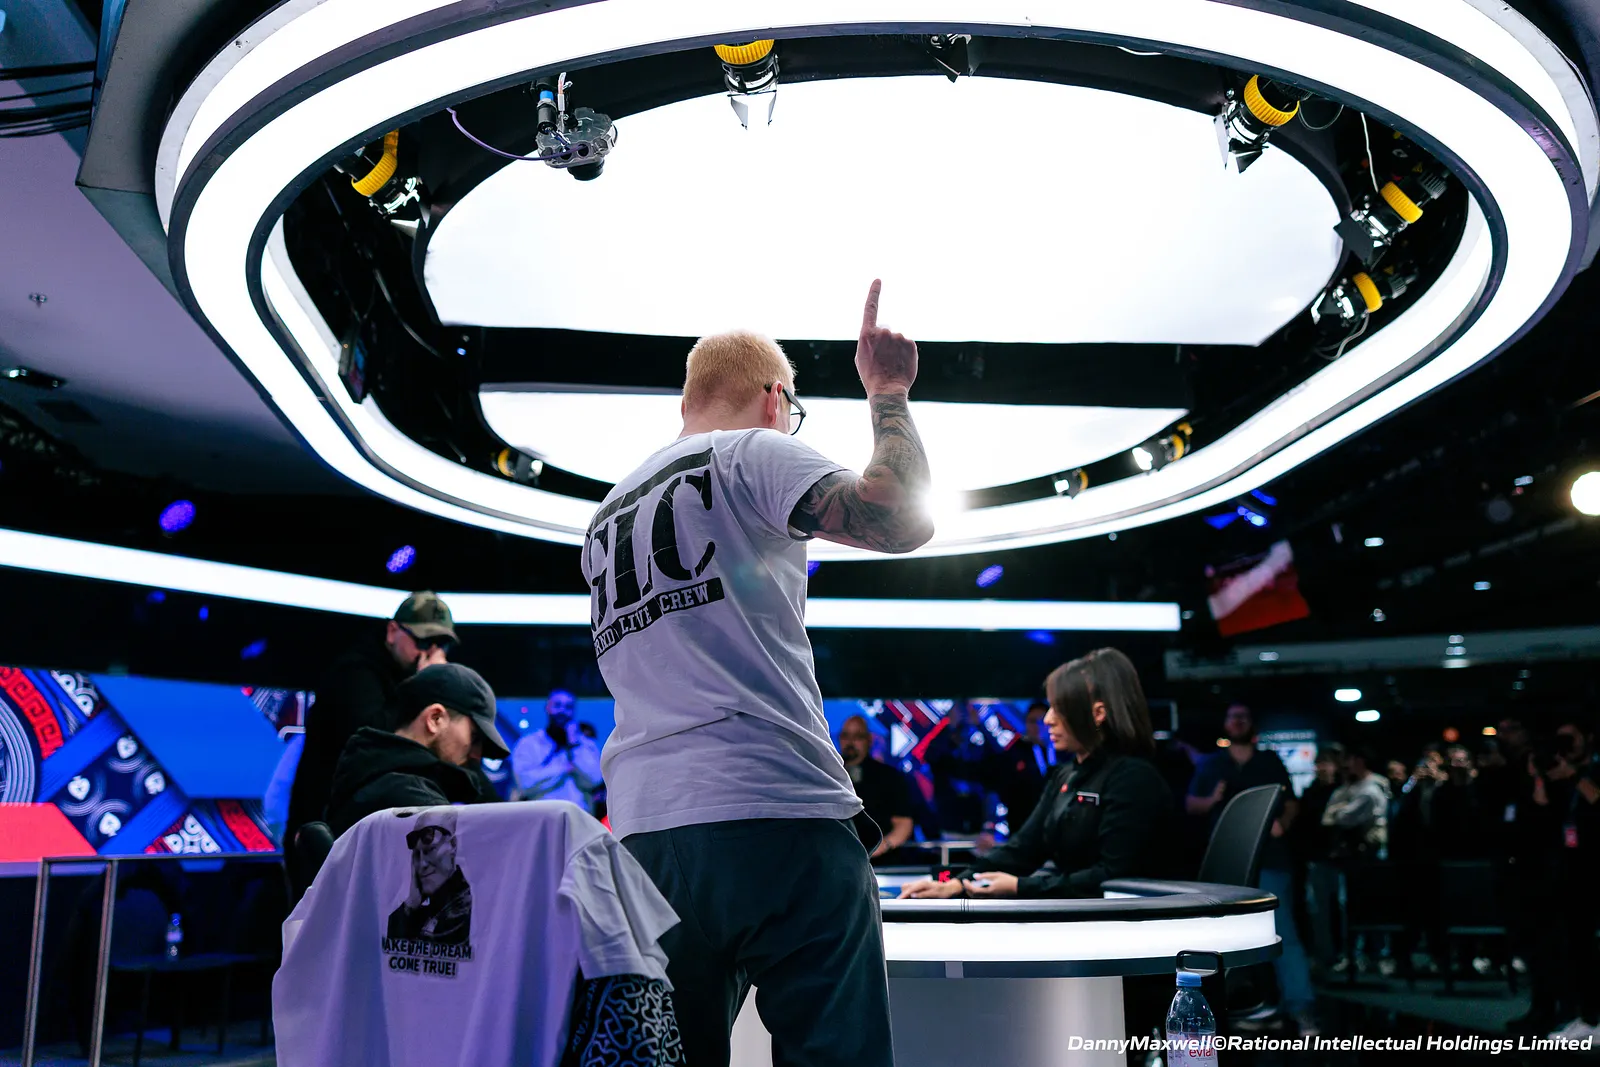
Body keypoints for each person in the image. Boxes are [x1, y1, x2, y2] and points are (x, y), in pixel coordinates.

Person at [583, 281, 932, 1067]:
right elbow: (901, 515)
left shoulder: (605, 515)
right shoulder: (751, 451)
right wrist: (888, 390)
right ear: (776, 399)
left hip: (645, 832)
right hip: (777, 812)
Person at [900, 648, 1171, 899]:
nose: (1048, 719)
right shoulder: (1065, 776)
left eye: (1060, 709)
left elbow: (1112, 876)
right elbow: (1023, 849)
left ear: (1098, 713)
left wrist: (1020, 887)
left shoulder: (1134, 778)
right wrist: (956, 884)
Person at [287, 592, 457, 845]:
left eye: (441, 645)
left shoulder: (409, 678)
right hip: (325, 834)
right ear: (392, 631)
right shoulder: (353, 673)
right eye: (424, 641)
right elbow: (375, 743)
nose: (432, 654)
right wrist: (425, 684)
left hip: (369, 829)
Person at [1185, 703, 1315, 1033]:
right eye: (1233, 717)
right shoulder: (1213, 763)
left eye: (1244, 716)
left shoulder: (1269, 761)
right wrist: (1212, 800)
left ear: (1251, 723)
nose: (1238, 721)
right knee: (1229, 938)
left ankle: (1300, 1007)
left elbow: (1291, 803)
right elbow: (1191, 804)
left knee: (1283, 932)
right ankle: (1247, 1003)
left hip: (1271, 858)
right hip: (1227, 862)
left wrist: (1283, 823)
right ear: (1226, 724)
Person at [323, 663, 509, 839]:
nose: (477, 755)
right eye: (474, 737)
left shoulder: (367, 771)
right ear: (435, 718)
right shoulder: (417, 803)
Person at [387, 808, 473, 945]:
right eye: (417, 854)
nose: (422, 864)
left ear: (453, 844)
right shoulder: (430, 911)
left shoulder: (461, 912)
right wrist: (411, 904)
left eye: (430, 850)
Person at [837, 715, 917, 860]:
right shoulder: (830, 776)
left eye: (858, 736)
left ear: (869, 740)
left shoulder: (890, 777)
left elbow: (904, 823)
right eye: (845, 736)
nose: (850, 742)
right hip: (840, 858)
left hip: (882, 861)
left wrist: (883, 846)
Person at [511, 690, 604, 813]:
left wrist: (574, 747)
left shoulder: (587, 744)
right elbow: (525, 784)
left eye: (568, 707)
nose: (562, 711)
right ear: (547, 707)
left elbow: (595, 780)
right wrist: (563, 768)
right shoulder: (528, 744)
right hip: (541, 816)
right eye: (557, 705)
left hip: (579, 817)